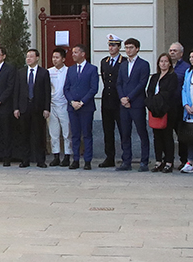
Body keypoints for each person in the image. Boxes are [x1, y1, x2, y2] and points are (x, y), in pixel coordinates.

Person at [116, 38, 151, 172]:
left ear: (137, 48)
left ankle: (144, 161)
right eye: (126, 47)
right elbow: (118, 83)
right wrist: (122, 98)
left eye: (131, 47)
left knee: (142, 132)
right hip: (124, 104)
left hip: (136, 103)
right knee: (125, 133)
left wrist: (129, 97)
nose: (128, 50)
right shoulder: (123, 65)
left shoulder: (143, 64)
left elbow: (142, 84)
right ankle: (126, 161)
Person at [13, 48, 51, 168]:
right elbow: (16, 91)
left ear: (37, 58)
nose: (28, 58)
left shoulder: (44, 73)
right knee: (24, 135)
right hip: (24, 107)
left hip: (38, 108)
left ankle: (40, 160)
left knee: (39, 135)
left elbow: (47, 92)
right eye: (27, 56)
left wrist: (46, 108)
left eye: (31, 56)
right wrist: (16, 108)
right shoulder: (21, 72)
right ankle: (25, 159)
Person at [64, 43, 99, 170]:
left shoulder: (92, 69)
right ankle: (76, 159)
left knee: (87, 133)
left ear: (83, 54)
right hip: (73, 107)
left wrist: (82, 102)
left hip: (86, 107)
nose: (73, 55)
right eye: (72, 52)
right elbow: (66, 88)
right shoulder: (71, 69)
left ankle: (88, 160)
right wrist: (72, 101)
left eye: (75, 52)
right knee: (75, 134)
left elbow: (93, 88)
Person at [146, 52, 181, 173]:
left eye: (166, 61)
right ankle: (158, 161)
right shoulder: (155, 77)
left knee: (167, 136)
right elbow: (149, 91)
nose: (163, 63)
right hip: (154, 109)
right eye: (161, 61)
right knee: (157, 136)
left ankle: (169, 162)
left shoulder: (172, 77)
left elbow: (169, 93)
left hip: (167, 110)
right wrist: (151, 103)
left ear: (170, 64)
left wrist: (158, 100)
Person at [98, 35, 123, 168]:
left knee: (123, 130)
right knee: (108, 131)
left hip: (118, 100)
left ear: (119, 47)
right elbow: (104, 79)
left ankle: (126, 156)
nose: (111, 48)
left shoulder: (123, 61)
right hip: (107, 99)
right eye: (109, 45)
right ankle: (109, 157)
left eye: (113, 45)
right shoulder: (104, 61)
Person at [168, 42, 192, 168]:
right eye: (171, 50)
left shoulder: (186, 67)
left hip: (179, 105)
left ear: (181, 53)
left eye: (175, 51)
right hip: (167, 105)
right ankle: (168, 160)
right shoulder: (166, 65)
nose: (172, 52)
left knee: (181, 135)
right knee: (167, 134)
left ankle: (184, 160)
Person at [47, 47, 71, 167]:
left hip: (64, 104)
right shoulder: (49, 72)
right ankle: (55, 155)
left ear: (63, 59)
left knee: (66, 132)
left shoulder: (69, 71)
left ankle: (67, 155)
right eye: (53, 57)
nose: (55, 60)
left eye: (57, 57)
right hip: (52, 105)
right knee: (54, 133)